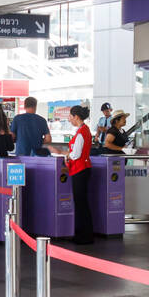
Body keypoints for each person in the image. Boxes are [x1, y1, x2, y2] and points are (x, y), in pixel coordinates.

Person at [63, 105, 94, 245]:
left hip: (79, 170)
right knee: (82, 203)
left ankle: (84, 236)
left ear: (76, 116)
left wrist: (67, 155)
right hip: (84, 169)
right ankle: (84, 234)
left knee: (81, 203)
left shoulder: (81, 132)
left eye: (70, 116)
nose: (69, 118)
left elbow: (76, 154)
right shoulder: (84, 130)